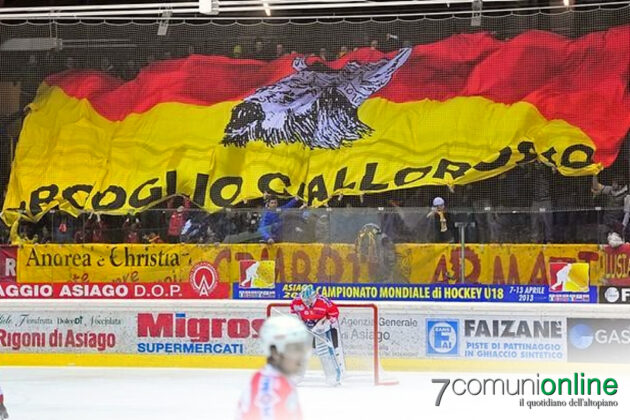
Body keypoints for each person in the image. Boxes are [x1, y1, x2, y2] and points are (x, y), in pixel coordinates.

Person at [236, 316, 310, 420]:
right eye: (294, 349)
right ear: (274, 352)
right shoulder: (269, 389)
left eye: (302, 348)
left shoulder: (277, 381)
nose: (301, 357)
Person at [290, 285, 345, 385]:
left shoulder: (324, 302)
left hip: (322, 326)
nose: (306, 303)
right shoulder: (296, 302)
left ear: (314, 297)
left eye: (309, 300)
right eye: (305, 301)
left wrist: (323, 325)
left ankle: (332, 376)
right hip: (306, 325)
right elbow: (295, 313)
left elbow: (334, 315)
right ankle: (297, 375)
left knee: (323, 350)